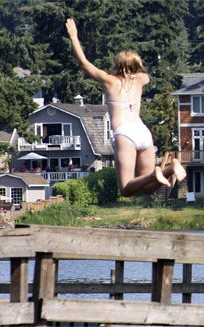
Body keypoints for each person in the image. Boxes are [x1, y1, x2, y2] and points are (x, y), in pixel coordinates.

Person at [66, 18, 186, 197]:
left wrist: (74, 37)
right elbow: (142, 73)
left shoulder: (109, 81)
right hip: (143, 131)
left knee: (125, 190)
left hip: (125, 134)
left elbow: (84, 63)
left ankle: (155, 172)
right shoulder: (142, 80)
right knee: (147, 188)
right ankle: (170, 168)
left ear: (118, 64)